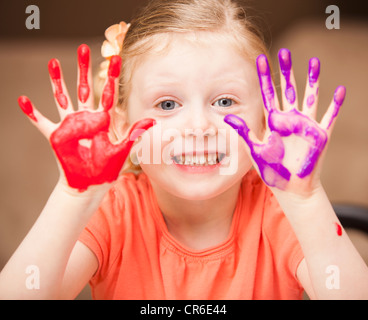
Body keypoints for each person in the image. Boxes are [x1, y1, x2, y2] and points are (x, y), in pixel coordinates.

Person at [0, 0, 367, 300]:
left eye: (225, 101)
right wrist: (73, 196)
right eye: (167, 105)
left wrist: (306, 202)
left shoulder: (278, 211)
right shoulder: (115, 212)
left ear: (264, 121)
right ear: (123, 125)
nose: (198, 127)